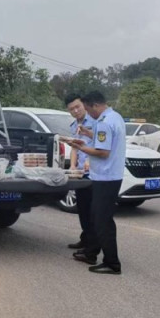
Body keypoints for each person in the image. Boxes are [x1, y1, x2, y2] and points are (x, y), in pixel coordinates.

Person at [61, 91, 126, 274]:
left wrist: (82, 147)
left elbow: (103, 152)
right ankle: (94, 254)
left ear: (95, 105)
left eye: (88, 109)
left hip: (105, 177)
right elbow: (104, 139)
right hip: (111, 176)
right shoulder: (115, 117)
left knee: (102, 221)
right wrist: (88, 134)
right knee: (100, 219)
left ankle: (112, 263)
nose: (88, 113)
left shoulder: (104, 122)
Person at [63, 93, 94, 251]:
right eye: (71, 109)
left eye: (77, 107)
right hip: (80, 174)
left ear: (84, 105)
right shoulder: (74, 126)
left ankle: (91, 243)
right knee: (82, 208)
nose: (75, 111)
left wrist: (90, 160)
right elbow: (74, 147)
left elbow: (99, 145)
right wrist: (73, 165)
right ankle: (85, 238)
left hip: (94, 174)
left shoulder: (94, 122)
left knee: (91, 210)